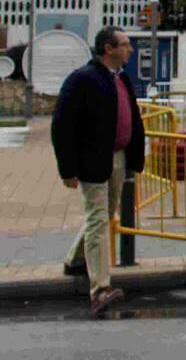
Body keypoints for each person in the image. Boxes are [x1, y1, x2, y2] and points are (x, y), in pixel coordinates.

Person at [51, 27, 146, 317]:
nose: (130, 49)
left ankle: (75, 260)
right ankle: (100, 289)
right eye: (125, 44)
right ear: (109, 48)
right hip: (92, 161)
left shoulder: (121, 78)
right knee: (98, 221)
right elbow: (61, 126)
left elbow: (133, 118)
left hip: (117, 158)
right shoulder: (82, 79)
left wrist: (133, 158)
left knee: (104, 216)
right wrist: (68, 169)